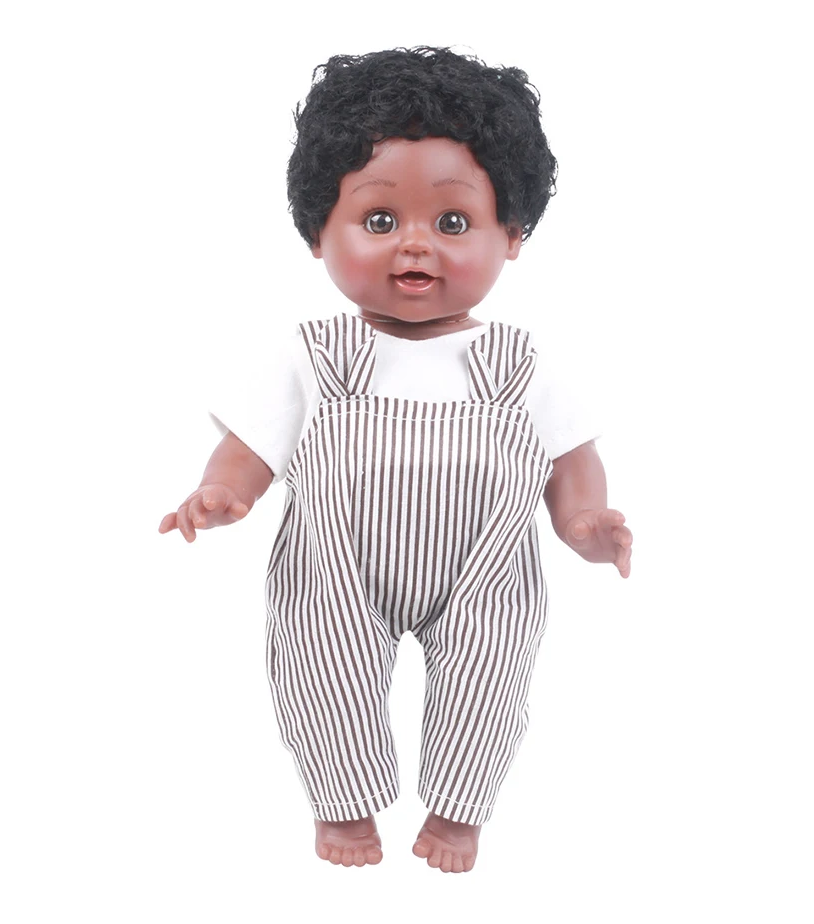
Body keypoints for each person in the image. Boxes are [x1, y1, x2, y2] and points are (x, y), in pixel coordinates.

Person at [160, 47, 633, 873]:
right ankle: (342, 807)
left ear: (511, 234)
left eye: (452, 223)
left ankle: (457, 813)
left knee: (488, 682)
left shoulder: (522, 364)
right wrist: (221, 492)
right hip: (337, 568)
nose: (415, 245)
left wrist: (586, 524)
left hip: (483, 572)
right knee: (319, 673)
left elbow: (571, 461)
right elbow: (248, 448)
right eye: (379, 221)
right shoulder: (313, 355)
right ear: (318, 232)